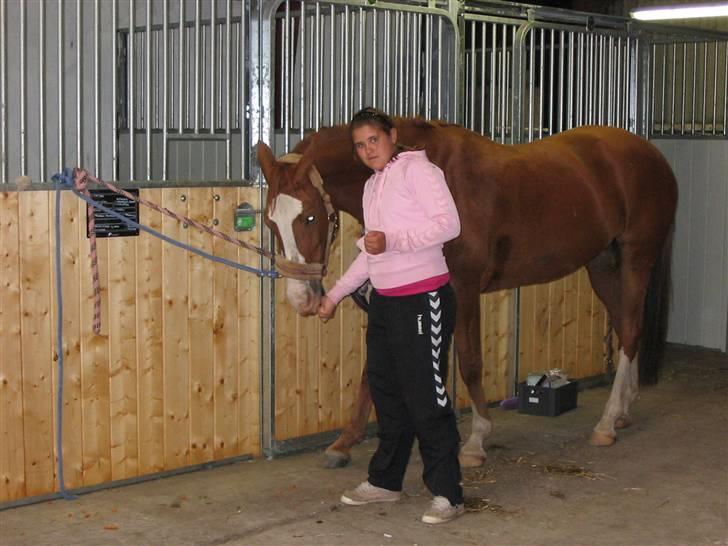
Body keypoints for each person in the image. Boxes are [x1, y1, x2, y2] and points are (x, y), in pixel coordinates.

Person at [318, 107, 464, 525]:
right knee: (387, 393)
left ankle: (447, 492)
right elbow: (370, 252)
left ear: (392, 136)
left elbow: (448, 225)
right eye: (360, 145)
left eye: (373, 141)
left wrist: (393, 240)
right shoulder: (372, 187)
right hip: (385, 302)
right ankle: (386, 481)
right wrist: (335, 295)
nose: (367, 150)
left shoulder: (419, 171)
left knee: (426, 395)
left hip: (423, 298)